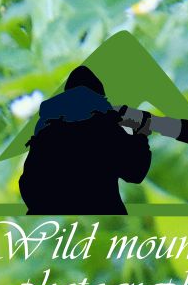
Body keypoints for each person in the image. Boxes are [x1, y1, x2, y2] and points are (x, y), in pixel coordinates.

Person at [18, 66, 151, 215]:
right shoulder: (104, 125)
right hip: (99, 212)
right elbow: (135, 172)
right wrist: (141, 134)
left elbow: (27, 185)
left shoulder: (46, 127)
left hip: (48, 217)